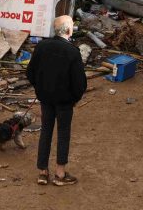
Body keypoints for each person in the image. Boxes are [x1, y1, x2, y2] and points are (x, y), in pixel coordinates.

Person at [25, 14, 87, 186]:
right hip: (65, 102)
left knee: (46, 131)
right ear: (68, 30)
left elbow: (30, 73)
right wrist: (74, 98)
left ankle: (42, 172)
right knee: (63, 133)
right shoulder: (72, 52)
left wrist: (40, 89)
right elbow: (80, 83)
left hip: (45, 98)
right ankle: (60, 174)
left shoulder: (42, 46)